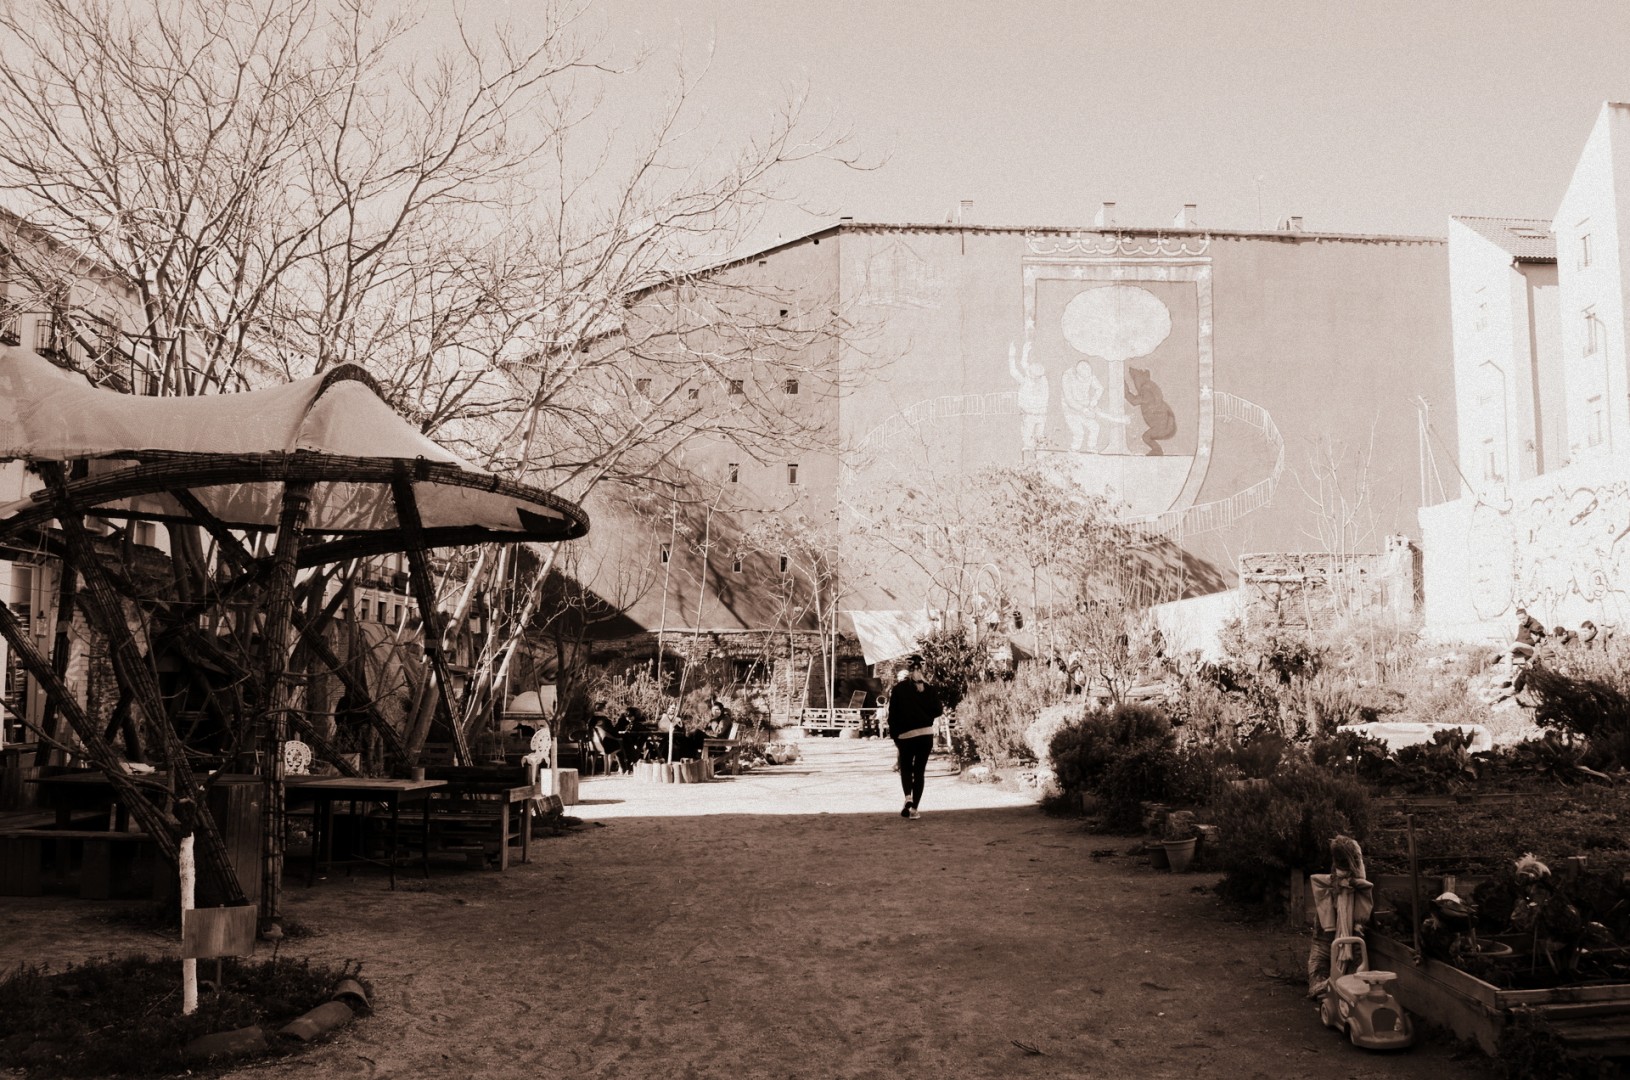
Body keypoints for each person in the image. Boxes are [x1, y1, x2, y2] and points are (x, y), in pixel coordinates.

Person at [887, 654, 942, 820]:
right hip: (925, 735)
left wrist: (895, 736)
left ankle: (907, 796)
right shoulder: (930, 689)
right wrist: (926, 716)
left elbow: (892, 715)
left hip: (906, 736)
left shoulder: (899, 689)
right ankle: (914, 809)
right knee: (919, 772)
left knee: (905, 769)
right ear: (923, 669)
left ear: (908, 669)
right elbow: (938, 710)